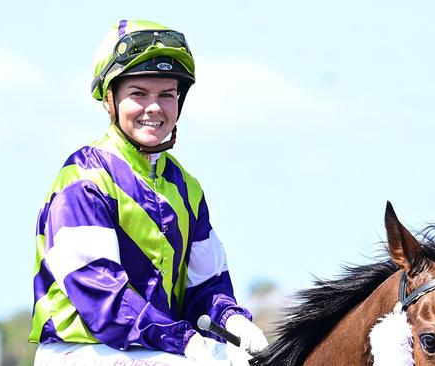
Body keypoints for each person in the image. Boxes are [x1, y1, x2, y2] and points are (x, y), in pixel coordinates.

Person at [29, 19, 268, 365]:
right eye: (138, 94)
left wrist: (232, 319)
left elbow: (206, 286)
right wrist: (187, 342)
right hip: (83, 351)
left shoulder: (187, 189)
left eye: (166, 95)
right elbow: (101, 297)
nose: (154, 108)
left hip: (159, 350)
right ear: (110, 100)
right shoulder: (84, 177)